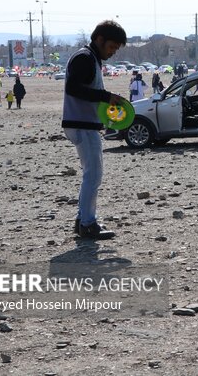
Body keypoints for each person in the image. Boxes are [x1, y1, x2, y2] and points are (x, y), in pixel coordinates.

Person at [61, 20, 128, 240]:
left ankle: (83, 220)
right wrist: (105, 96)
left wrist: (106, 97)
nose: (112, 52)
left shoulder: (90, 57)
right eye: (111, 47)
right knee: (93, 175)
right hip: (81, 124)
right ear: (99, 39)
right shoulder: (85, 58)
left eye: (116, 49)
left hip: (81, 124)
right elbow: (74, 88)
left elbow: (83, 89)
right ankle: (88, 224)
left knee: (91, 174)